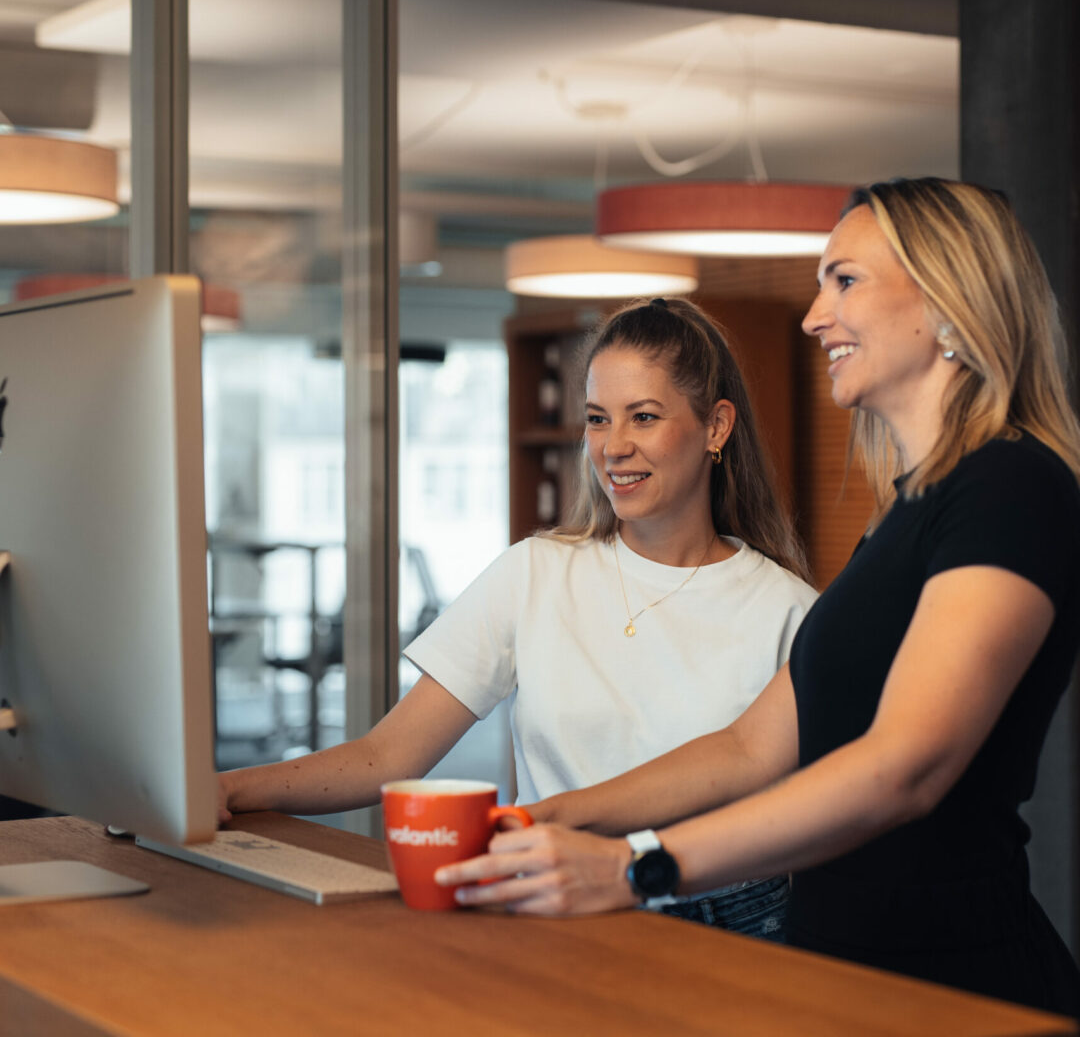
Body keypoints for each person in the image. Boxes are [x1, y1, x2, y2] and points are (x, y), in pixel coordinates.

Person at [434, 178, 1080, 1017]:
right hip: (842, 978)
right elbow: (750, 749)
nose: (814, 317)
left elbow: (907, 766)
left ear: (949, 295)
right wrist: (554, 818)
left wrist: (639, 866)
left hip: (948, 984)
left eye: (843, 280)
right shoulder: (910, 512)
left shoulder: (1011, 487)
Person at [218, 297, 818, 939]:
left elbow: (806, 816)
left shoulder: (789, 610)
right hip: (547, 902)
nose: (613, 447)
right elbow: (385, 754)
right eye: (597, 419)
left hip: (728, 922)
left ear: (716, 427)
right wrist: (228, 789)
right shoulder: (534, 573)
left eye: (643, 417)